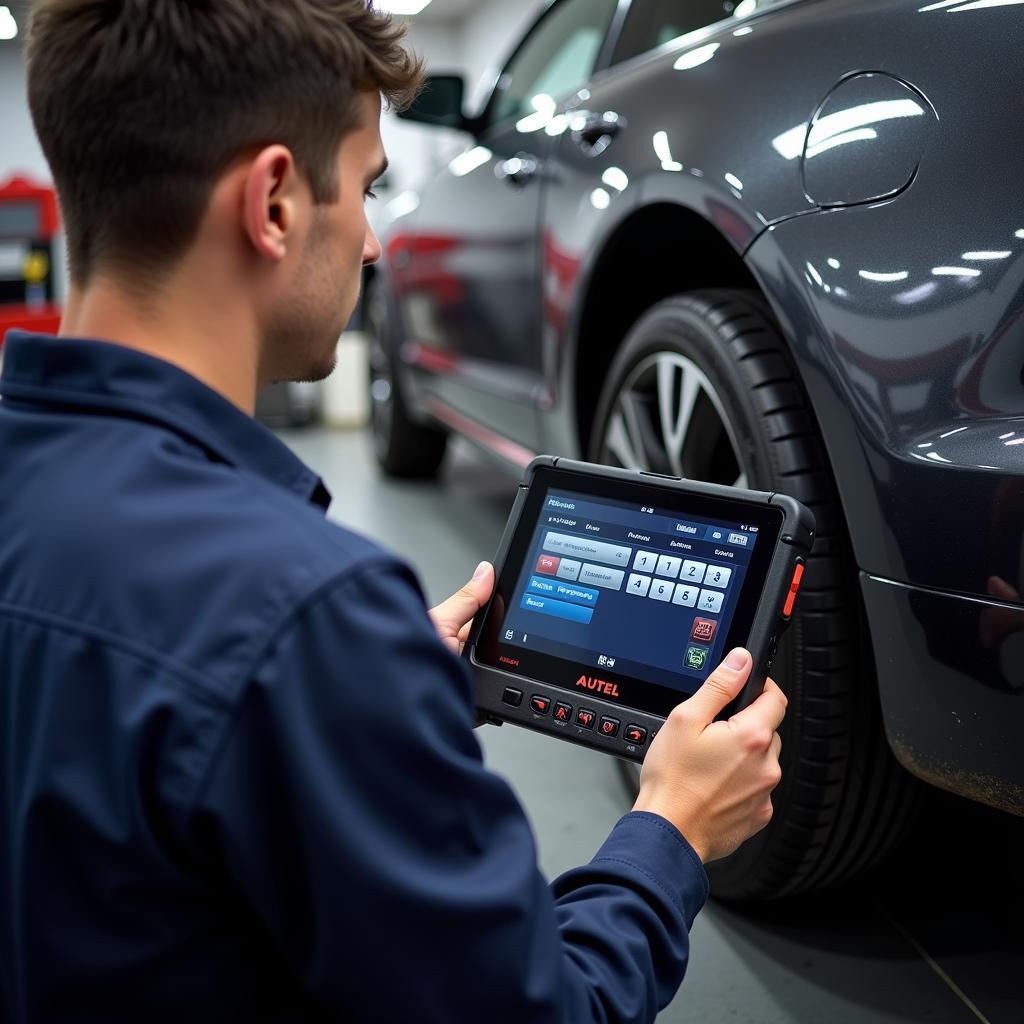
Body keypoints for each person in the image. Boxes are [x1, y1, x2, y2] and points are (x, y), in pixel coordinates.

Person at [0, 2, 786, 1021]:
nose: (373, 243)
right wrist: (671, 830)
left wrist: (353, 704)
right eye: (367, 188)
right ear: (275, 200)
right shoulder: (301, 610)